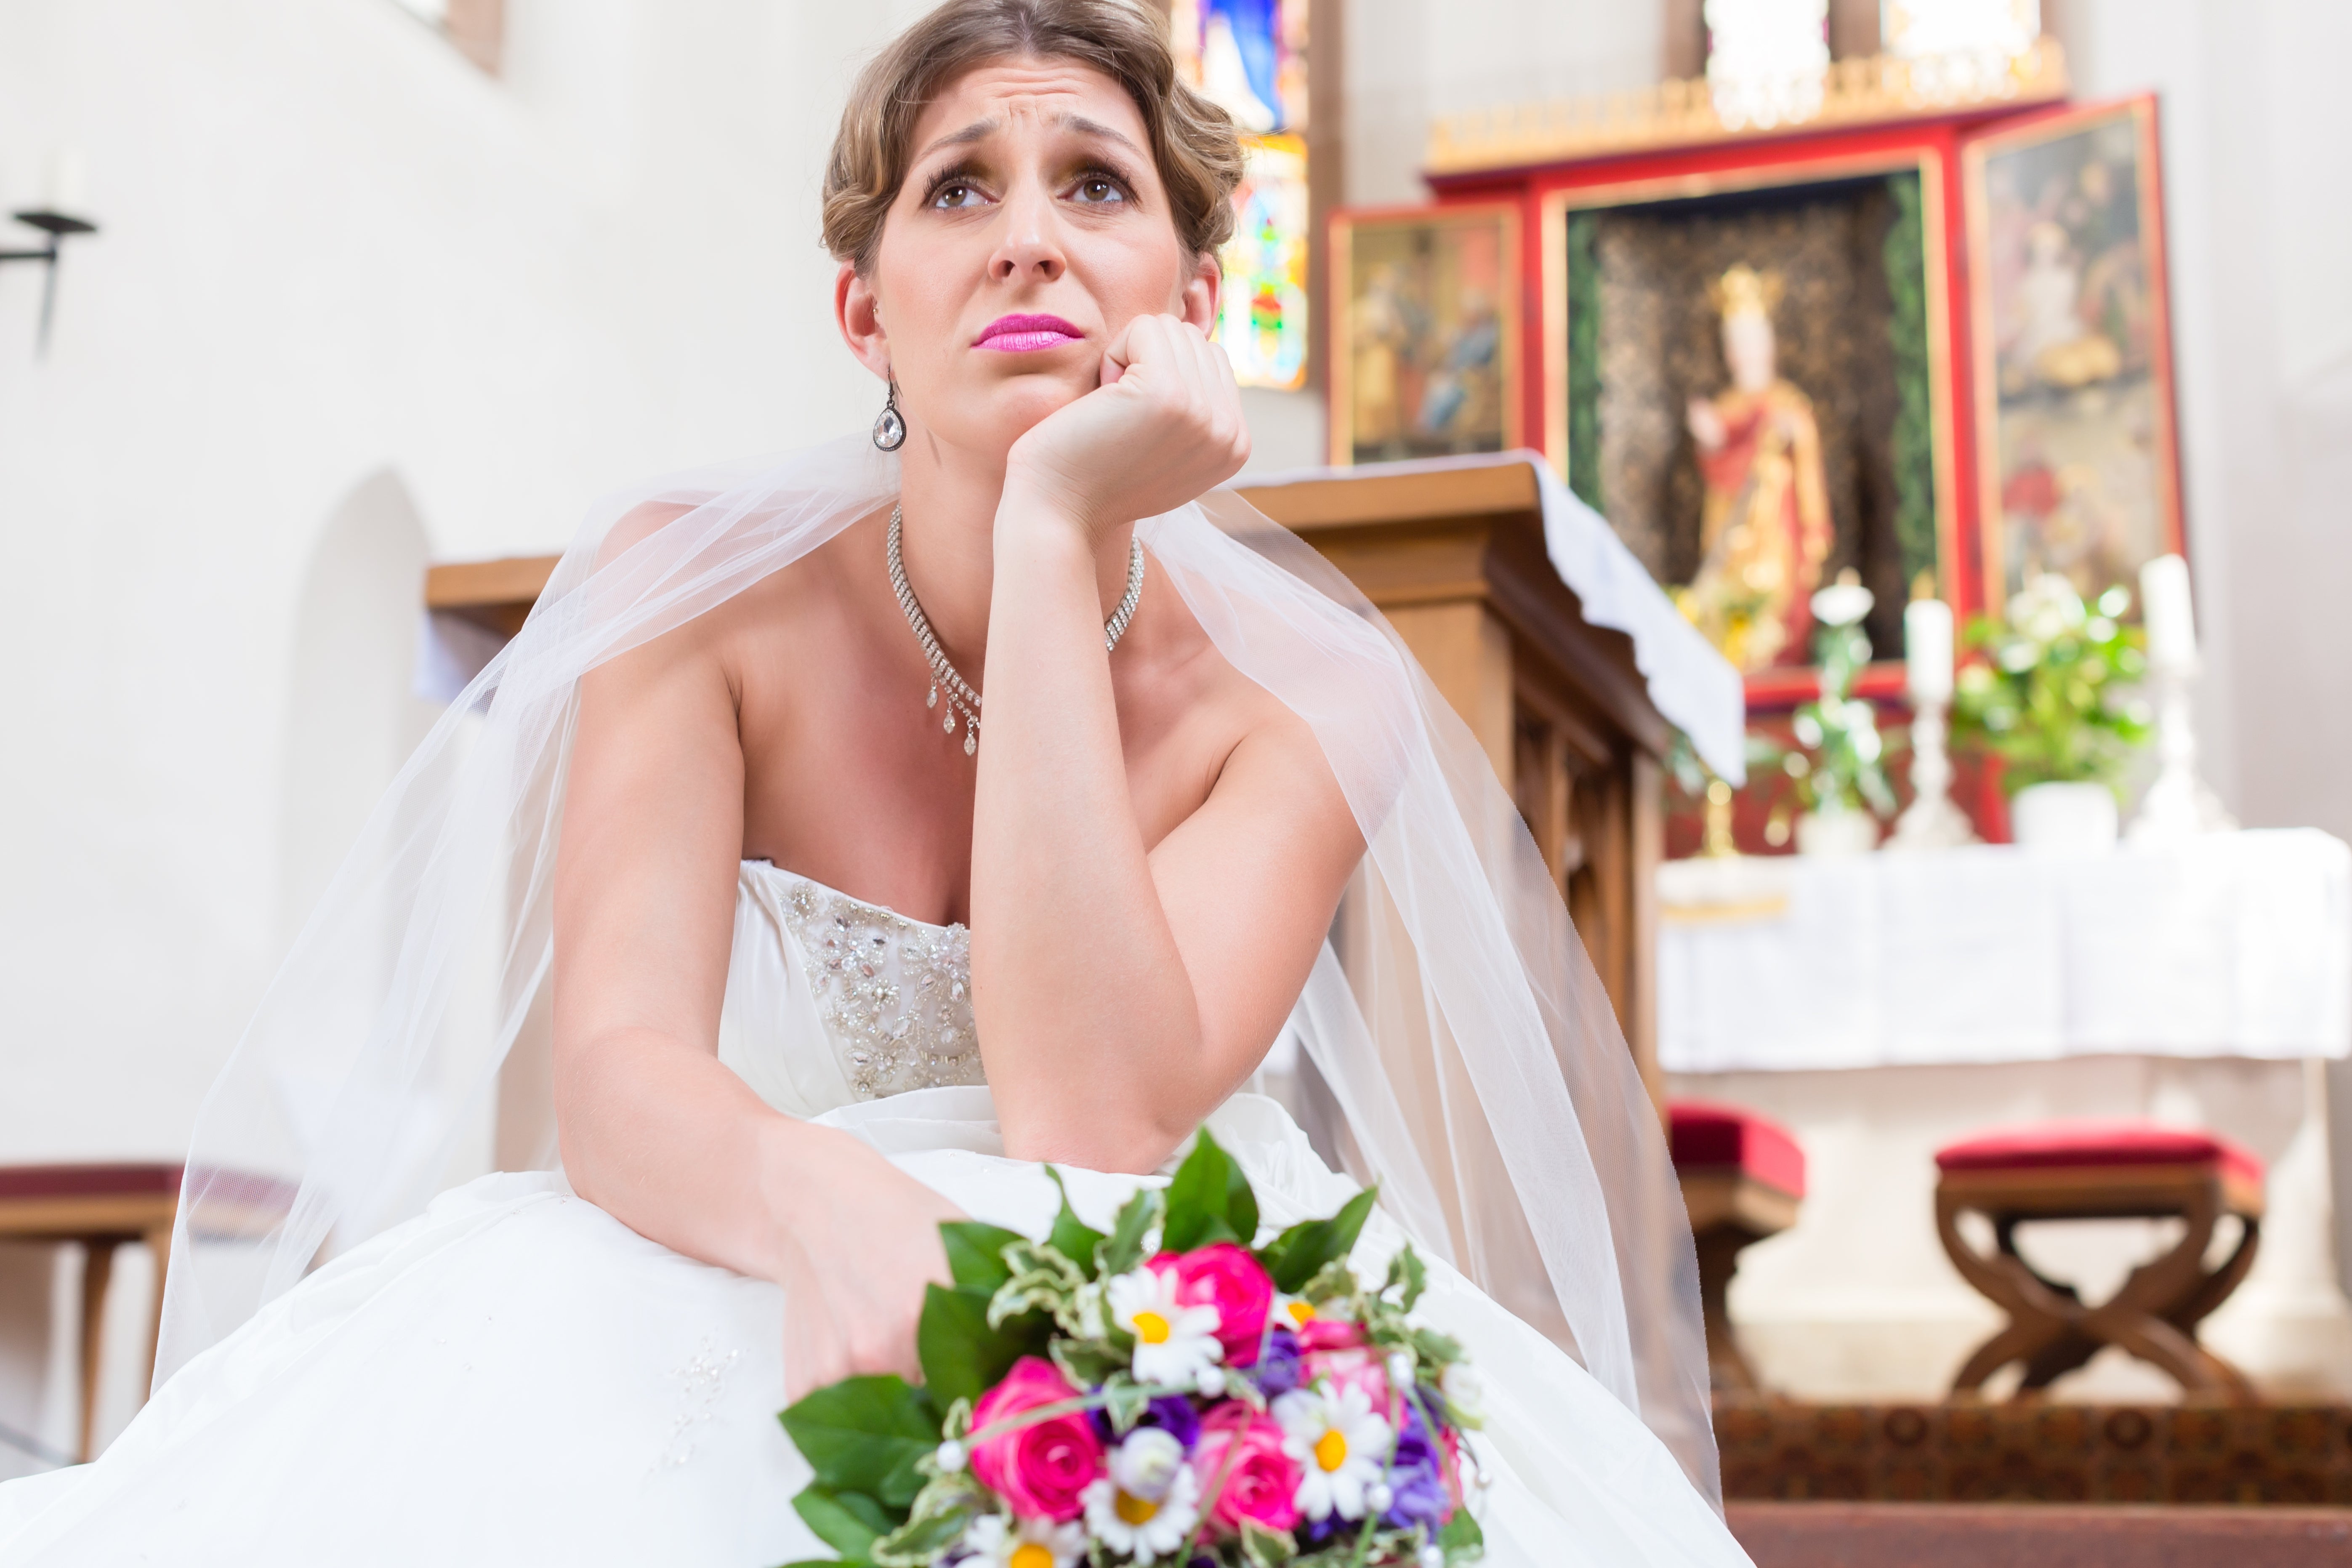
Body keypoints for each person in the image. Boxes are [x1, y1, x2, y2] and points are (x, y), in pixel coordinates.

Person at [0, 3, 1747, 1563]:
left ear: (1193, 306)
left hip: (1150, 1281)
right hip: (739, 1209)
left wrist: (1059, 520)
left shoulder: (1312, 687)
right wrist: (824, 1200)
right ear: (865, 308)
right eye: (960, 189)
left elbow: (1088, 1117)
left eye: (1097, 186)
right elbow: (614, 1073)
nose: (1030, 244)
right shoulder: (694, 584)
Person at [1677, 264, 1831, 673]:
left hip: (1775, 529)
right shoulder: (1725, 408)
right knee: (1723, 608)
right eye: (1734, 342)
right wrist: (1711, 439)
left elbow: (1807, 466)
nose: (1743, 351)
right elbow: (1717, 468)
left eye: (1751, 340)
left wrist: (1814, 528)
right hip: (1731, 531)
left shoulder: (1787, 402)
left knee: (1775, 603)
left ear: (1768, 343)